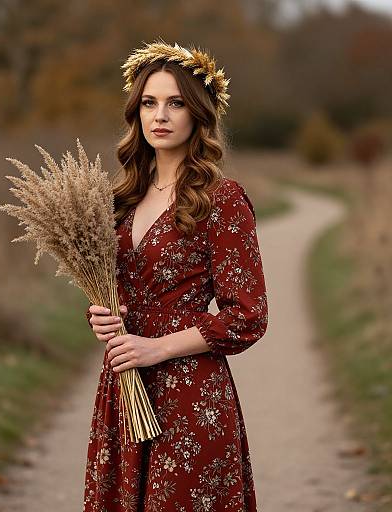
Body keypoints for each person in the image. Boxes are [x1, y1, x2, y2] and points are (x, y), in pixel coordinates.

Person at [83, 39, 268, 512]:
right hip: (124, 389)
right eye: (149, 103)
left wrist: (157, 348)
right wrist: (102, 315)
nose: (159, 115)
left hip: (189, 394)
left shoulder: (221, 199)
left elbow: (248, 316)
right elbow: (114, 287)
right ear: (136, 112)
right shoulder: (120, 199)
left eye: (175, 102)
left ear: (198, 114)